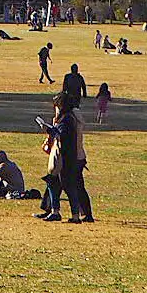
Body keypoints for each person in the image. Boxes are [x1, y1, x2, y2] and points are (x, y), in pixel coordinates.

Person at [57, 95, 94, 223]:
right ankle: (85, 212)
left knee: (70, 185)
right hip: (78, 156)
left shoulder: (68, 119)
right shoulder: (75, 117)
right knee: (76, 185)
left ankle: (78, 213)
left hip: (73, 156)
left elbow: (64, 136)